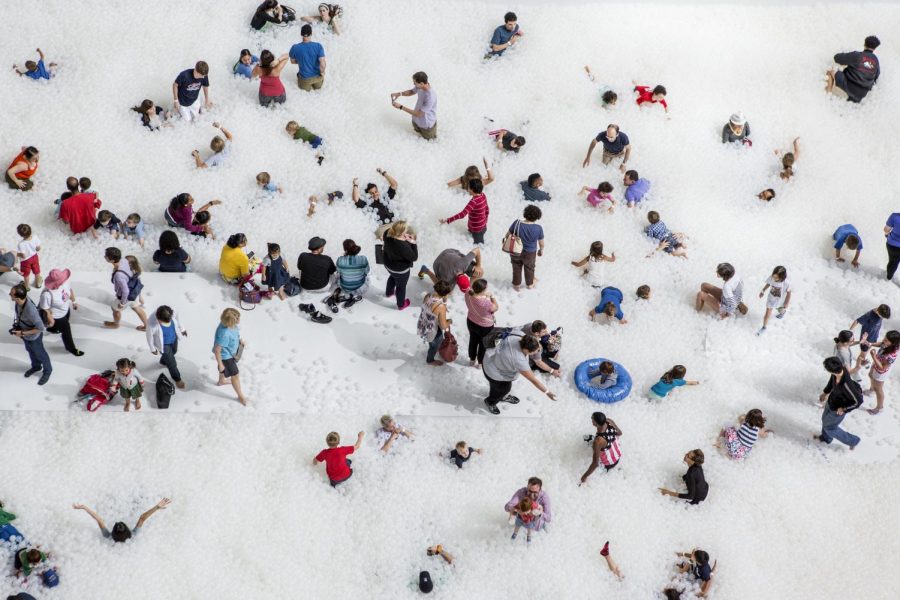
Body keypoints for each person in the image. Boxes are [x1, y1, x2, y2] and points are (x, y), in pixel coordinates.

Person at [482, 334, 556, 414]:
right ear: (527, 351)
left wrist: (500, 352)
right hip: (493, 372)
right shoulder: (519, 360)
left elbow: (499, 340)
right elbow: (534, 380)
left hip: (491, 359)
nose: (538, 351)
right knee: (502, 389)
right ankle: (491, 402)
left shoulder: (519, 336)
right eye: (536, 351)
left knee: (502, 388)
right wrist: (548, 392)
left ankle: (502, 396)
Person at [815, 357, 862, 449]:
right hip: (831, 401)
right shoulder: (837, 372)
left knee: (830, 428)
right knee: (825, 420)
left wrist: (844, 409)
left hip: (837, 409)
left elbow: (858, 401)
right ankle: (826, 438)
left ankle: (853, 441)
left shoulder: (846, 385)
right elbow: (831, 382)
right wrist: (825, 393)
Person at [73, 499, 171, 542]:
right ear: (128, 531)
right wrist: (156, 507)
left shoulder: (108, 537)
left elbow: (98, 519)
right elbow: (142, 518)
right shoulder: (133, 536)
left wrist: (84, 507)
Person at [9, 284, 51, 385]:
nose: (10, 294)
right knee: (30, 351)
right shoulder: (19, 302)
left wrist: (22, 333)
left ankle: (48, 371)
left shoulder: (30, 311)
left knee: (41, 354)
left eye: (11, 294)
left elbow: (41, 328)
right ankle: (36, 366)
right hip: (25, 335)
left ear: (18, 298)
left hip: (34, 337)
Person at [39, 268, 83, 357]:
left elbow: (70, 291)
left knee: (62, 324)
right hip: (57, 317)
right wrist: (51, 321)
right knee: (67, 331)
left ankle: (53, 329)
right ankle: (71, 348)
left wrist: (74, 302)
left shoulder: (64, 283)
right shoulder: (46, 294)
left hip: (66, 310)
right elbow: (45, 309)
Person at [104, 247, 148, 331]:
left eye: (106, 256)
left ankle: (116, 324)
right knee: (136, 307)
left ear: (112, 260)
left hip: (126, 295)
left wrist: (122, 303)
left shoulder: (119, 275)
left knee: (115, 309)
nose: (104, 257)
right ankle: (146, 325)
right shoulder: (124, 260)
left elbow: (125, 291)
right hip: (133, 291)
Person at [826, 36, 880, 103]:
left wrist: (846, 55)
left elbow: (837, 58)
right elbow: (876, 76)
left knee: (830, 69)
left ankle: (827, 96)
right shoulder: (876, 61)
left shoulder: (857, 55)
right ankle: (853, 100)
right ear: (875, 48)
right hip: (863, 94)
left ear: (864, 44)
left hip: (850, 87)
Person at [146, 305, 187, 390]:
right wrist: (152, 349)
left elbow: (178, 319)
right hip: (164, 345)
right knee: (172, 363)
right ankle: (177, 378)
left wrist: (182, 329)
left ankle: (164, 361)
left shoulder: (172, 311)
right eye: (163, 322)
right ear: (158, 318)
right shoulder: (151, 323)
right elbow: (149, 336)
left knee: (174, 351)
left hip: (173, 339)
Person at [213, 308, 247, 405]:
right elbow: (217, 350)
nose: (239, 320)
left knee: (223, 369)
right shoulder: (224, 334)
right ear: (230, 322)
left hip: (230, 352)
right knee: (235, 375)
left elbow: (234, 332)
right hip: (226, 357)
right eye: (237, 319)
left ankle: (221, 381)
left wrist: (238, 341)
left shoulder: (227, 324)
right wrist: (220, 364)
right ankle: (240, 396)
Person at [382, 221, 418, 310]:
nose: (406, 232)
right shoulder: (402, 246)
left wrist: (404, 238)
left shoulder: (387, 233)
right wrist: (413, 243)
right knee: (401, 287)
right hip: (400, 270)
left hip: (388, 264)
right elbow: (414, 257)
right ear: (401, 232)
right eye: (405, 231)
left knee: (393, 277)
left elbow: (395, 243)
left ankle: (389, 292)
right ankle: (401, 304)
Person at [391, 72, 437, 140]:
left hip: (427, 127)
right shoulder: (420, 87)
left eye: (415, 83)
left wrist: (401, 107)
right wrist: (399, 94)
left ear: (421, 83)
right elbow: (412, 91)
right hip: (416, 121)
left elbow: (419, 114)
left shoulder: (430, 97)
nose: (414, 84)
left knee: (430, 142)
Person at [442, 179, 490, 244]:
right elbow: (487, 209)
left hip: (477, 230)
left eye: (469, 187)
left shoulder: (473, 202)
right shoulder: (483, 195)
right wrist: (485, 221)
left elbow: (462, 214)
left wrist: (448, 220)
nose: (468, 189)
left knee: (479, 246)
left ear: (472, 189)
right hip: (482, 226)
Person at [508, 204, 544, 291]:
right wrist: (541, 250)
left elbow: (507, 235)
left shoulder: (516, 223)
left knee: (516, 267)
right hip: (530, 253)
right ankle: (530, 284)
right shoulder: (538, 228)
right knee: (530, 268)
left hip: (515, 251)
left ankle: (516, 285)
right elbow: (541, 243)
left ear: (525, 213)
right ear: (537, 217)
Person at [580, 412, 623, 484]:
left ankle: (607, 469)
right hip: (617, 456)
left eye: (592, 419)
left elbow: (595, 464)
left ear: (596, 424)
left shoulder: (598, 441)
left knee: (587, 439)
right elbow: (620, 433)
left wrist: (583, 477)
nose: (591, 419)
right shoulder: (609, 421)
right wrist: (611, 438)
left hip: (608, 464)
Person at [418, 281, 453, 366]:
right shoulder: (441, 307)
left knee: (432, 342)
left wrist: (443, 300)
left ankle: (433, 346)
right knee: (434, 345)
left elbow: (431, 309)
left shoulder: (428, 295)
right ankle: (430, 360)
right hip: (432, 329)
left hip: (424, 323)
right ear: (445, 294)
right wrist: (449, 322)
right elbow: (443, 326)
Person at [465, 279, 497, 366]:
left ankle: (472, 359)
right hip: (485, 327)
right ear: (482, 290)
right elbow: (496, 307)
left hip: (471, 321)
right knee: (483, 344)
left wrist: (483, 295)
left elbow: (474, 295)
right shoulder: (485, 303)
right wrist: (492, 296)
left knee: (473, 341)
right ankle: (480, 362)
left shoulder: (468, 293)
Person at [866, 330, 899, 415]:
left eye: (887, 340)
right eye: (885, 337)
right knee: (871, 376)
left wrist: (873, 357)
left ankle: (879, 408)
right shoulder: (887, 344)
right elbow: (881, 344)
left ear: (893, 343)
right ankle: (871, 391)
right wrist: (871, 344)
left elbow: (883, 368)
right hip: (877, 363)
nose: (884, 340)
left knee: (878, 389)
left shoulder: (892, 354)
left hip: (881, 372)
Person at [289, 24, 327, 91]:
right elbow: (322, 63)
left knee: (305, 90)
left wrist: (301, 60)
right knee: (318, 88)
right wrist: (322, 72)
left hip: (305, 80)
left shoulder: (295, 47)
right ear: (311, 33)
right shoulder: (318, 46)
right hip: (318, 78)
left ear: (301, 34)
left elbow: (292, 61)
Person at [757, 265, 792, 335]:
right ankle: (764, 327)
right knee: (767, 313)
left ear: (782, 277)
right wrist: (763, 291)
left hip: (780, 301)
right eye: (773, 276)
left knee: (779, 309)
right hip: (771, 299)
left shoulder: (786, 283)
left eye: (776, 277)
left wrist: (786, 303)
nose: (774, 278)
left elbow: (789, 292)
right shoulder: (772, 278)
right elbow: (768, 284)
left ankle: (782, 312)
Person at [334, 239, 369, 308]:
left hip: (345, 287)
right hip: (360, 287)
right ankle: (355, 296)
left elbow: (338, 271)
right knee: (367, 276)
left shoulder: (340, 260)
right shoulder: (363, 259)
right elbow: (367, 271)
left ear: (345, 249)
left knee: (339, 275)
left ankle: (347, 295)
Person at [15, 224, 42, 290]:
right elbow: (38, 248)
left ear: (21, 235)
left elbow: (23, 255)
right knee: (37, 270)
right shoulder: (35, 237)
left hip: (26, 261)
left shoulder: (21, 244)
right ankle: (38, 283)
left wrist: (17, 254)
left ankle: (27, 286)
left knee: (26, 274)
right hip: (35, 257)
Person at [884, 211, 900, 280]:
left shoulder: (894, 216)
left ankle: (889, 277)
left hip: (893, 245)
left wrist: (887, 234)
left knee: (893, 262)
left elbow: (886, 229)